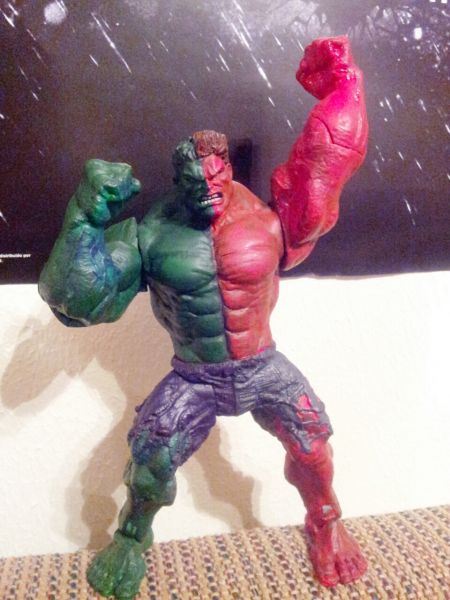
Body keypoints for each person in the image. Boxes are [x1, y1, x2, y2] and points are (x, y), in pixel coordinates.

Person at [39, 36, 368, 600]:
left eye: (216, 183)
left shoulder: (270, 218)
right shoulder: (152, 232)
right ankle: (131, 538)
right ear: (179, 181)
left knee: (313, 444)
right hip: (194, 375)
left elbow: (326, 165)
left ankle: (326, 521)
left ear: (228, 171)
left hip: (262, 365)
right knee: (150, 458)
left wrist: (344, 87)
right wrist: (85, 217)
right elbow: (78, 303)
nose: (208, 194)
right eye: (195, 187)